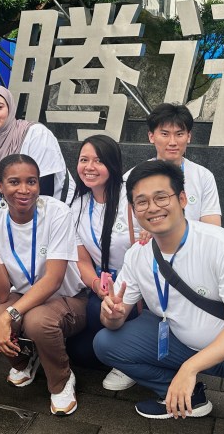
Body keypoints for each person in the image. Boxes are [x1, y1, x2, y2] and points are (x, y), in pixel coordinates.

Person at [94, 160, 224, 433]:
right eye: (142, 202)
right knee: (105, 342)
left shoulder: (220, 244)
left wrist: (189, 369)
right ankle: (187, 397)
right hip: (178, 343)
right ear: (133, 210)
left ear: (182, 199)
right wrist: (111, 314)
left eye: (161, 197)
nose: (152, 207)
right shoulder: (137, 255)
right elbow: (114, 319)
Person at [0, 154, 86, 416]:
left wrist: (9, 314)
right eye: (14, 182)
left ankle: (61, 379)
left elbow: (53, 279)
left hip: (66, 297)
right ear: (0, 186)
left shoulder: (57, 213)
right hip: (21, 296)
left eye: (31, 181)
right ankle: (25, 360)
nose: (24, 189)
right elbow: (0, 294)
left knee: (37, 321)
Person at [65, 135, 138, 390]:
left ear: (113, 164)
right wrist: (97, 285)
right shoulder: (77, 206)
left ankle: (130, 360)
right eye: (84, 160)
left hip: (136, 284)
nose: (89, 167)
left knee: (99, 311)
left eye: (98, 161)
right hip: (103, 283)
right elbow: (82, 259)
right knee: (79, 352)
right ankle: (117, 349)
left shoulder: (131, 199)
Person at [124, 103, 221, 236]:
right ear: (151, 136)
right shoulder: (132, 177)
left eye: (179, 134)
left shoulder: (203, 176)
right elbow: (126, 229)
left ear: (189, 137)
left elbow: (213, 229)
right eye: (165, 134)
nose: (172, 142)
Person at [0, 85, 73, 213]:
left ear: (10, 109)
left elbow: (45, 187)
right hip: (9, 215)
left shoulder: (36, 134)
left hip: (46, 214)